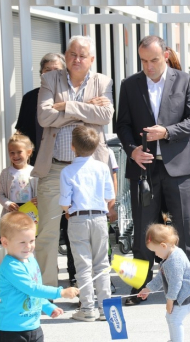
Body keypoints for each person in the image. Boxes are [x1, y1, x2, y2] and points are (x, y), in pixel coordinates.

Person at [115, 35, 190, 306]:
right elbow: (122, 126)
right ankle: (137, 288)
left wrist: (166, 132)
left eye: (154, 60)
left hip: (177, 168)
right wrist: (132, 149)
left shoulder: (185, 80)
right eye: (144, 61)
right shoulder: (129, 85)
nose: (149, 66)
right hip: (143, 169)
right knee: (143, 231)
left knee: (185, 230)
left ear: (165, 55)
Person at [33, 35, 114, 287]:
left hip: (89, 169)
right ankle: (47, 290)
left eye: (82, 55)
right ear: (66, 56)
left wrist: (67, 106)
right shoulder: (50, 79)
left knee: (92, 231)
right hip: (56, 167)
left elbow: (106, 115)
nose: (76, 59)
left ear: (91, 59)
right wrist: (85, 110)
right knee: (47, 232)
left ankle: (91, 287)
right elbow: (44, 118)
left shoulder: (103, 81)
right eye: (72, 54)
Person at [59, 126, 115, 321]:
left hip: (78, 219)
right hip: (100, 217)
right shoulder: (102, 168)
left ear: (72, 146)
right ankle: (106, 308)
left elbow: (65, 203)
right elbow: (110, 197)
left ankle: (88, 308)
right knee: (102, 264)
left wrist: (68, 211)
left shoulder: (67, 171)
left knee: (83, 265)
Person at [0, 212, 79, 341]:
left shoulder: (31, 260)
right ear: (5, 242)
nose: (28, 246)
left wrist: (47, 306)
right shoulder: (11, 266)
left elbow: (36, 291)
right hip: (12, 329)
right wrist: (61, 292)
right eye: (22, 242)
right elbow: (32, 288)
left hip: (34, 326)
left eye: (32, 240)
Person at [138, 224, 190, 342]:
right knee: (171, 318)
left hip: (186, 295)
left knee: (174, 319)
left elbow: (175, 283)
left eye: (155, 251)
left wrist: (170, 300)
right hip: (182, 294)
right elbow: (161, 276)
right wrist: (148, 289)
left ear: (163, 246)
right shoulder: (170, 255)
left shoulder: (175, 260)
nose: (155, 255)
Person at [15, 53, 66, 165]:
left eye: (56, 69)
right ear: (41, 74)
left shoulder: (71, 95)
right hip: (36, 161)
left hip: (65, 161)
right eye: (47, 69)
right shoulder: (30, 97)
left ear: (64, 74)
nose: (52, 73)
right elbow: (21, 132)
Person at [0, 134, 38, 265]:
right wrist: (7, 203)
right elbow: (1, 193)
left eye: (19, 152)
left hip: (29, 213)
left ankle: (30, 268)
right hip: (12, 212)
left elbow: (39, 193)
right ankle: (13, 268)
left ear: (28, 152)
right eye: (12, 152)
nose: (15, 155)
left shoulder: (34, 172)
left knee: (28, 241)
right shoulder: (6, 173)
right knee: (13, 241)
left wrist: (36, 201)